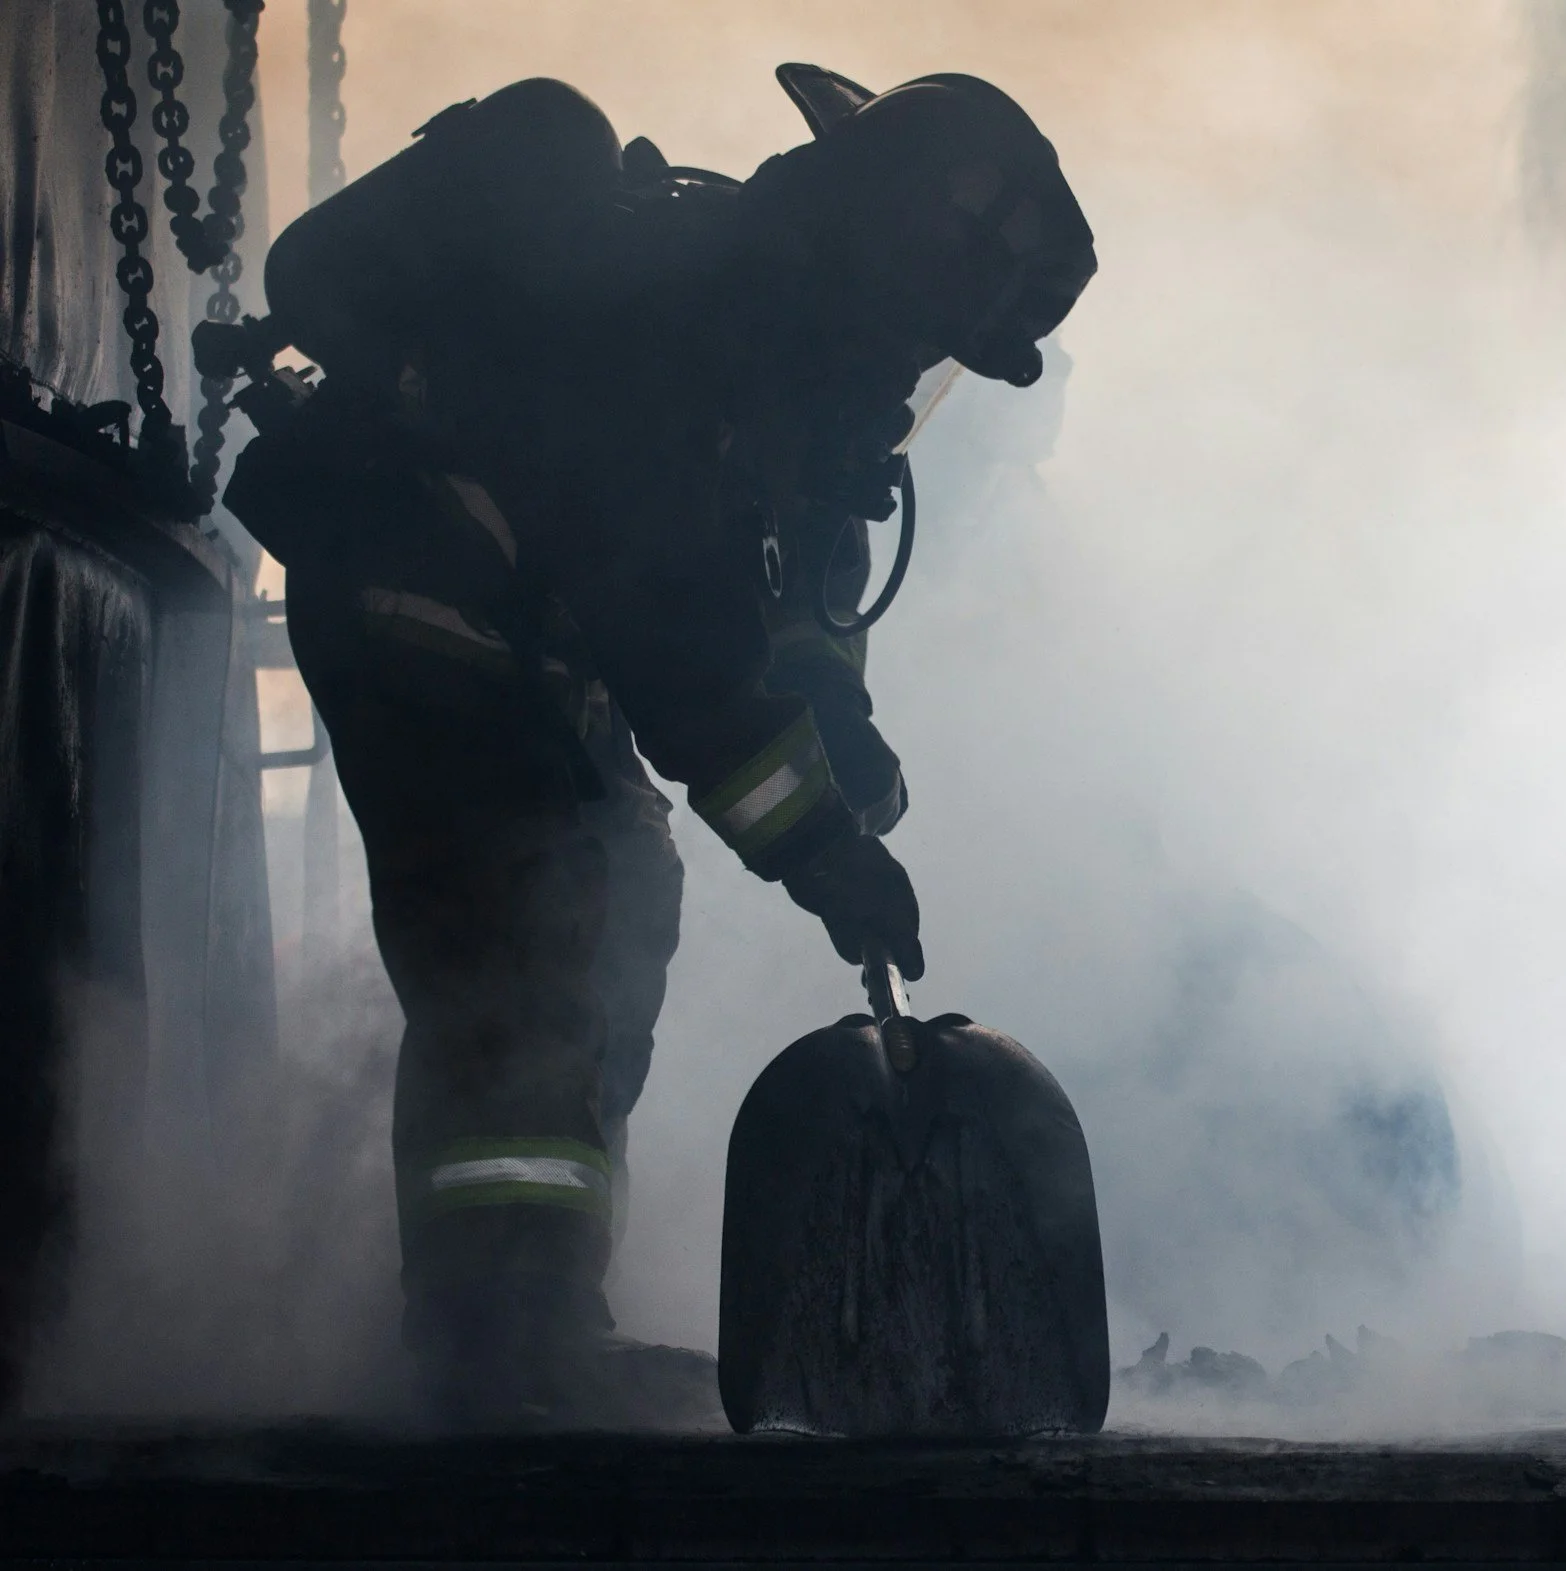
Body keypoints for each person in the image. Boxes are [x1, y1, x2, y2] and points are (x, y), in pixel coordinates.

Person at [219, 65, 1095, 1426]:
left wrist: (843, 736)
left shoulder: (801, 394)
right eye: (932, 330)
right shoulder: (684, 329)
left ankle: (538, 1297)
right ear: (879, 264)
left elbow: (797, 616)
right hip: (424, 598)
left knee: (624, 883)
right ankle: (492, 1337)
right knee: (528, 925)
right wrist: (823, 851)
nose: (919, 372)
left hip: (533, 644)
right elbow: (684, 660)